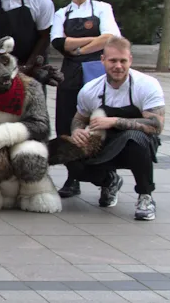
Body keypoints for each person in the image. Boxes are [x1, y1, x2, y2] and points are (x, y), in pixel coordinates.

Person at [66, 37, 163, 221]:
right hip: (105, 144)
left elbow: (156, 125)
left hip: (137, 147)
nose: (118, 66)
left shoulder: (147, 85)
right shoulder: (90, 90)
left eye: (123, 61)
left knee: (134, 137)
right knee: (70, 156)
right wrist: (76, 132)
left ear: (130, 60)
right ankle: (109, 181)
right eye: (112, 61)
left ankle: (145, 196)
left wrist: (114, 121)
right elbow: (79, 119)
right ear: (102, 60)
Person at [52, 0, 121, 198]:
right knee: (67, 124)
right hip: (69, 75)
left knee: (100, 125)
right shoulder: (62, 13)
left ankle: (107, 180)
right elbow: (59, 43)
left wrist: (79, 48)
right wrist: (94, 40)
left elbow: (110, 37)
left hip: (97, 74)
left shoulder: (103, 8)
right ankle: (73, 177)